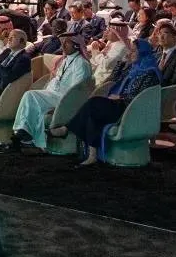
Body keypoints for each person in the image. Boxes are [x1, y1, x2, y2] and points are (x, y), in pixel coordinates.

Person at [60, 38, 162, 167]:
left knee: (93, 104)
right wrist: (122, 62)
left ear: (143, 53)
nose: (130, 53)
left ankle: (67, 129)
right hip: (117, 104)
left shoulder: (150, 73)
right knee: (93, 111)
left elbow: (143, 97)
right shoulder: (133, 68)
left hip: (129, 109)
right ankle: (92, 155)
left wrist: (121, 97)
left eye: (134, 51)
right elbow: (114, 78)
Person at [9, 30, 93, 152]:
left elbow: (77, 92)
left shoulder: (81, 64)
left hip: (63, 99)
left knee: (30, 95)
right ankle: (24, 134)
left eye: (67, 43)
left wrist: (61, 107)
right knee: (31, 97)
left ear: (76, 44)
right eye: (62, 43)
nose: (63, 46)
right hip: (52, 95)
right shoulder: (65, 60)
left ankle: (23, 132)